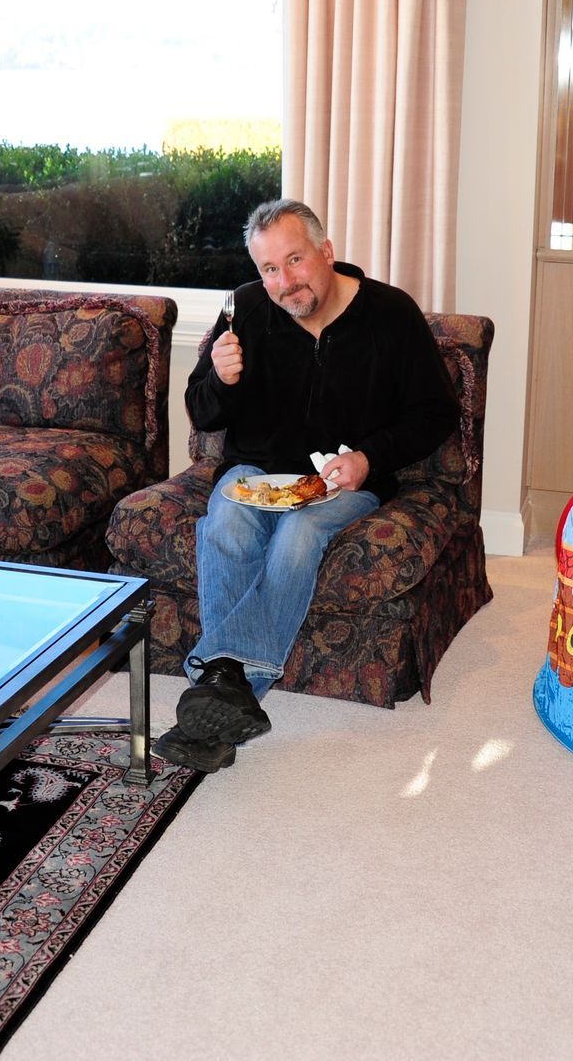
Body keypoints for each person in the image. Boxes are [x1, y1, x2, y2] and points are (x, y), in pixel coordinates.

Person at [151, 199, 458, 774]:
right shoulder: (245, 310)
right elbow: (204, 412)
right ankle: (228, 699)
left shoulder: (391, 314)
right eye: (269, 268)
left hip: (344, 481)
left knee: (298, 535)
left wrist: (370, 458)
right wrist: (221, 379)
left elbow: (436, 413)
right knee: (224, 523)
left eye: (294, 260)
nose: (284, 282)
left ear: (327, 252)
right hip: (255, 473)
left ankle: (219, 679)